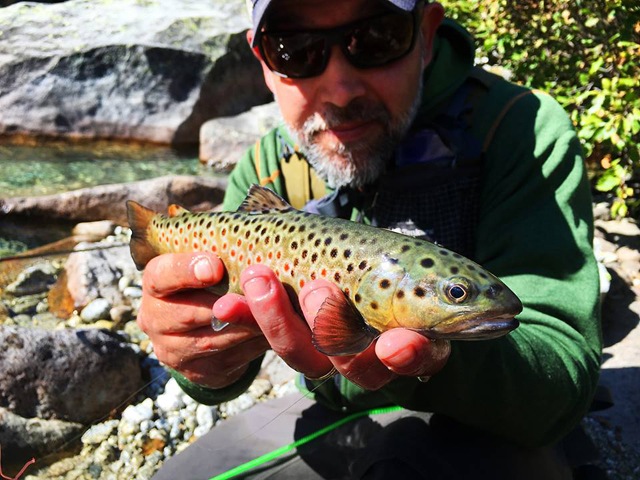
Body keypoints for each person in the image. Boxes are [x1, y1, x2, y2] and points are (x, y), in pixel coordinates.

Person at [142, 0, 603, 478]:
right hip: (334, 416)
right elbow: (215, 347)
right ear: (263, 61)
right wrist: (202, 360)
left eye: (376, 38)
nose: (340, 92)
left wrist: (432, 363)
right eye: (294, 50)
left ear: (426, 34)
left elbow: (562, 381)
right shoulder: (265, 169)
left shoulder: (521, 130)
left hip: (489, 423)